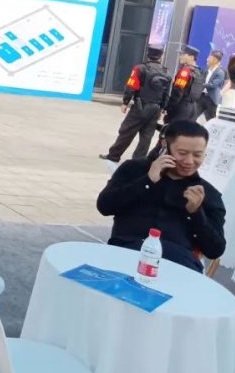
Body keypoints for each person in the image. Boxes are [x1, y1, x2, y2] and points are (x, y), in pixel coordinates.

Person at [96, 119, 225, 273]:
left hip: (178, 264)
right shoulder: (134, 170)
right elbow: (104, 207)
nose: (189, 161)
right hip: (126, 252)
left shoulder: (206, 193)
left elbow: (215, 250)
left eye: (198, 155)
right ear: (165, 145)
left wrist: (196, 213)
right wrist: (147, 181)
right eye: (182, 153)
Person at [99, 46, 171, 163]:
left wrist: (125, 102)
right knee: (146, 136)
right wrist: (163, 108)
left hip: (140, 106)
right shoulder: (166, 72)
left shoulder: (140, 68)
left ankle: (114, 155)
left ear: (147, 54)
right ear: (161, 56)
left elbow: (131, 86)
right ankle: (138, 160)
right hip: (155, 108)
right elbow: (167, 93)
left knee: (127, 131)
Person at [165, 44, 204, 124]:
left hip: (181, 107)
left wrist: (168, 107)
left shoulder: (185, 71)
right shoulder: (199, 72)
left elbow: (177, 91)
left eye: (183, 54)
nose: (180, 56)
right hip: (193, 108)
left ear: (191, 57)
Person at [196, 50, 226, 122]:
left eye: (209, 58)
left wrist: (201, 85)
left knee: (210, 120)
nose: (207, 59)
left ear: (215, 60)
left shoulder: (220, 72)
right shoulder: (205, 70)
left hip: (211, 99)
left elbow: (213, 85)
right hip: (202, 96)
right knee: (193, 115)